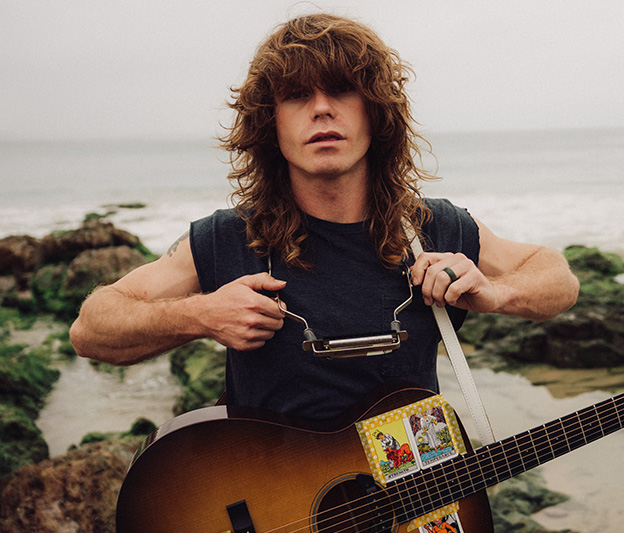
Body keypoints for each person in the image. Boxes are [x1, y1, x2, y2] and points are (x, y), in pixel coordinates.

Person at [69, 13, 579, 422]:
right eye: (296, 95)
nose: (321, 110)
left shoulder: (432, 229)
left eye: (340, 90)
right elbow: (91, 330)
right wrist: (200, 315)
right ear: (271, 123)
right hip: (277, 511)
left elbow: (556, 277)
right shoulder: (229, 238)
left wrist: (496, 293)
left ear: (374, 111)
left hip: (417, 501)